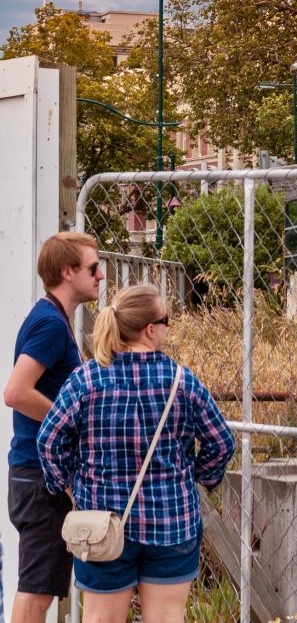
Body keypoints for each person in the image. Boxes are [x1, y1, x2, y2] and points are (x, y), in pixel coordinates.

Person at [37, 285, 234, 623]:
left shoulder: (86, 379)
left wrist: (70, 486)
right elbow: (221, 442)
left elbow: (49, 440)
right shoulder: (182, 382)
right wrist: (196, 477)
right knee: (167, 617)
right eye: (166, 320)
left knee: (100, 618)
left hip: (101, 522)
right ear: (150, 329)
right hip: (172, 521)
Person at [3, 230, 103, 623]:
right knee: (36, 591)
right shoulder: (49, 324)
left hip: (39, 475)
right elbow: (15, 391)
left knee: (41, 588)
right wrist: (64, 420)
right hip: (38, 477)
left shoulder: (53, 319)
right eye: (93, 268)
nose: (101, 275)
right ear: (67, 271)